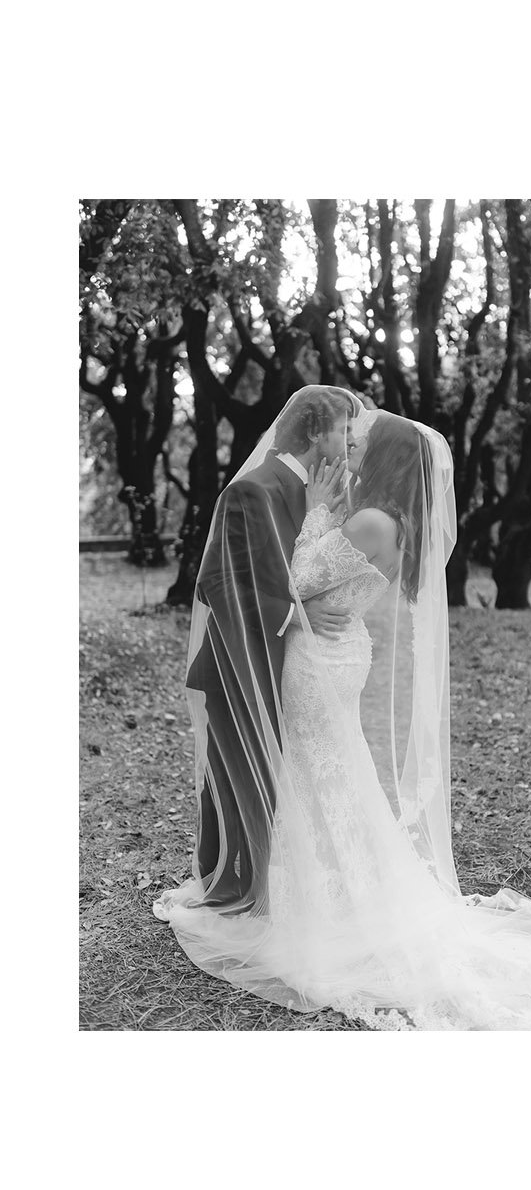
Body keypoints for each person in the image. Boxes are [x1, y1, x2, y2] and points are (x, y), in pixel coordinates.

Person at [156, 406, 531, 1030]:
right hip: (338, 651)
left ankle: (328, 903)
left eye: (360, 443)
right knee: (333, 774)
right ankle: (326, 886)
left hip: (319, 661)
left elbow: (296, 576)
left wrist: (319, 509)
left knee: (318, 774)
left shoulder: (370, 520)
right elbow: (315, 586)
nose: (349, 446)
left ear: (383, 459)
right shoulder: (393, 519)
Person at [181, 385, 361, 912]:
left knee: (280, 777)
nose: (350, 442)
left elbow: (306, 567)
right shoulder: (252, 490)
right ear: (313, 431)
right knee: (242, 775)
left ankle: (276, 880)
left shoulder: (318, 492)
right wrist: (294, 613)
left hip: (289, 661)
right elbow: (216, 582)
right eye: (343, 431)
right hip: (242, 663)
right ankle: (237, 882)